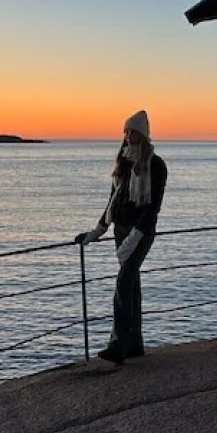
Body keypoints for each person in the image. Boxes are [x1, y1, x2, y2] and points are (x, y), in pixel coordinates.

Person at [75, 110, 168, 364]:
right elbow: (112, 201)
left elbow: (152, 207)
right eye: (125, 131)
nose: (128, 136)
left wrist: (136, 236)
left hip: (141, 232)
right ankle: (135, 343)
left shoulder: (155, 164)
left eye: (133, 131)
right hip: (121, 229)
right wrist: (97, 231)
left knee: (123, 283)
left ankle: (118, 344)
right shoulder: (123, 162)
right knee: (132, 284)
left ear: (143, 134)